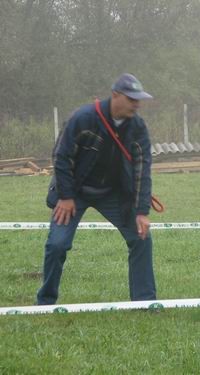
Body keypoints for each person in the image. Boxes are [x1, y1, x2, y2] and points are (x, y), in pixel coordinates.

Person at [36, 73, 157, 305]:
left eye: (139, 99)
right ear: (115, 96)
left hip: (114, 194)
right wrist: (66, 196)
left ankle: (144, 302)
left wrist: (142, 211)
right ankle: (45, 303)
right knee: (57, 244)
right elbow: (61, 156)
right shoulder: (84, 118)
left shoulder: (138, 127)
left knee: (141, 238)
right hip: (74, 192)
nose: (137, 104)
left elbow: (143, 169)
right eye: (132, 99)